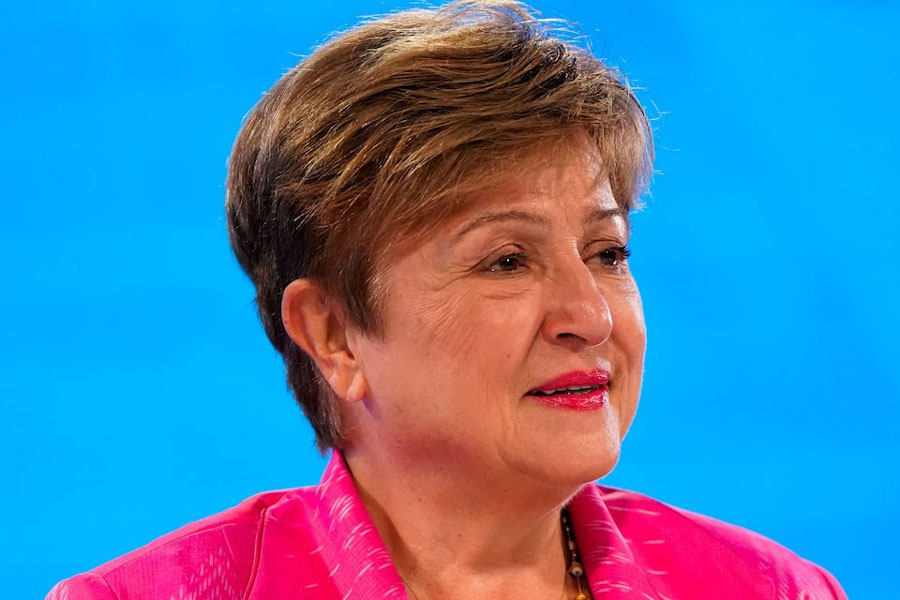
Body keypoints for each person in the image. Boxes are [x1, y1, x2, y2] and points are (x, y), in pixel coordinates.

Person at [48, 1, 848, 598]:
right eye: (506, 261)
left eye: (606, 253)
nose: (592, 317)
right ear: (332, 334)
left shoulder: (769, 588)